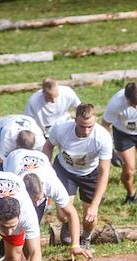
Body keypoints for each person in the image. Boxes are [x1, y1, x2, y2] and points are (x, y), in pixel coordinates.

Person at [3, 145, 91, 260]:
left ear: (43, 189)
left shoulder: (52, 184)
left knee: (32, 226)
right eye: (32, 201)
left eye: (38, 199)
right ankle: (4, 252)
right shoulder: (14, 186)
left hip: (39, 159)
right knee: (11, 220)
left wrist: (75, 245)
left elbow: (72, 213)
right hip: (12, 159)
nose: (35, 204)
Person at [44, 103, 113, 246]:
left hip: (90, 174)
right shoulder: (61, 129)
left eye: (90, 126)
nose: (87, 131)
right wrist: (45, 166)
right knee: (63, 214)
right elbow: (49, 145)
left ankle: (86, 238)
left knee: (90, 218)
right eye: (83, 126)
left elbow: (104, 172)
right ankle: (68, 224)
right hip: (65, 171)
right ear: (75, 120)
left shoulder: (103, 137)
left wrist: (95, 205)